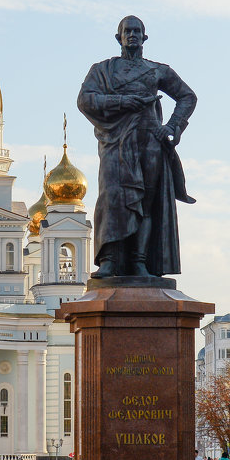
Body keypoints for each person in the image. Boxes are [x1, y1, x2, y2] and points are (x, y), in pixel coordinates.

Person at [77, 15, 197, 278]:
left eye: (136, 31)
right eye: (126, 31)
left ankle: (140, 262)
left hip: (149, 143)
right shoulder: (102, 70)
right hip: (116, 143)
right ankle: (109, 260)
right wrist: (122, 101)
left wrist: (172, 127)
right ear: (118, 37)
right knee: (112, 198)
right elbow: (85, 100)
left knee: (146, 203)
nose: (131, 35)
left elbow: (188, 97)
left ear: (144, 37)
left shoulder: (157, 71)